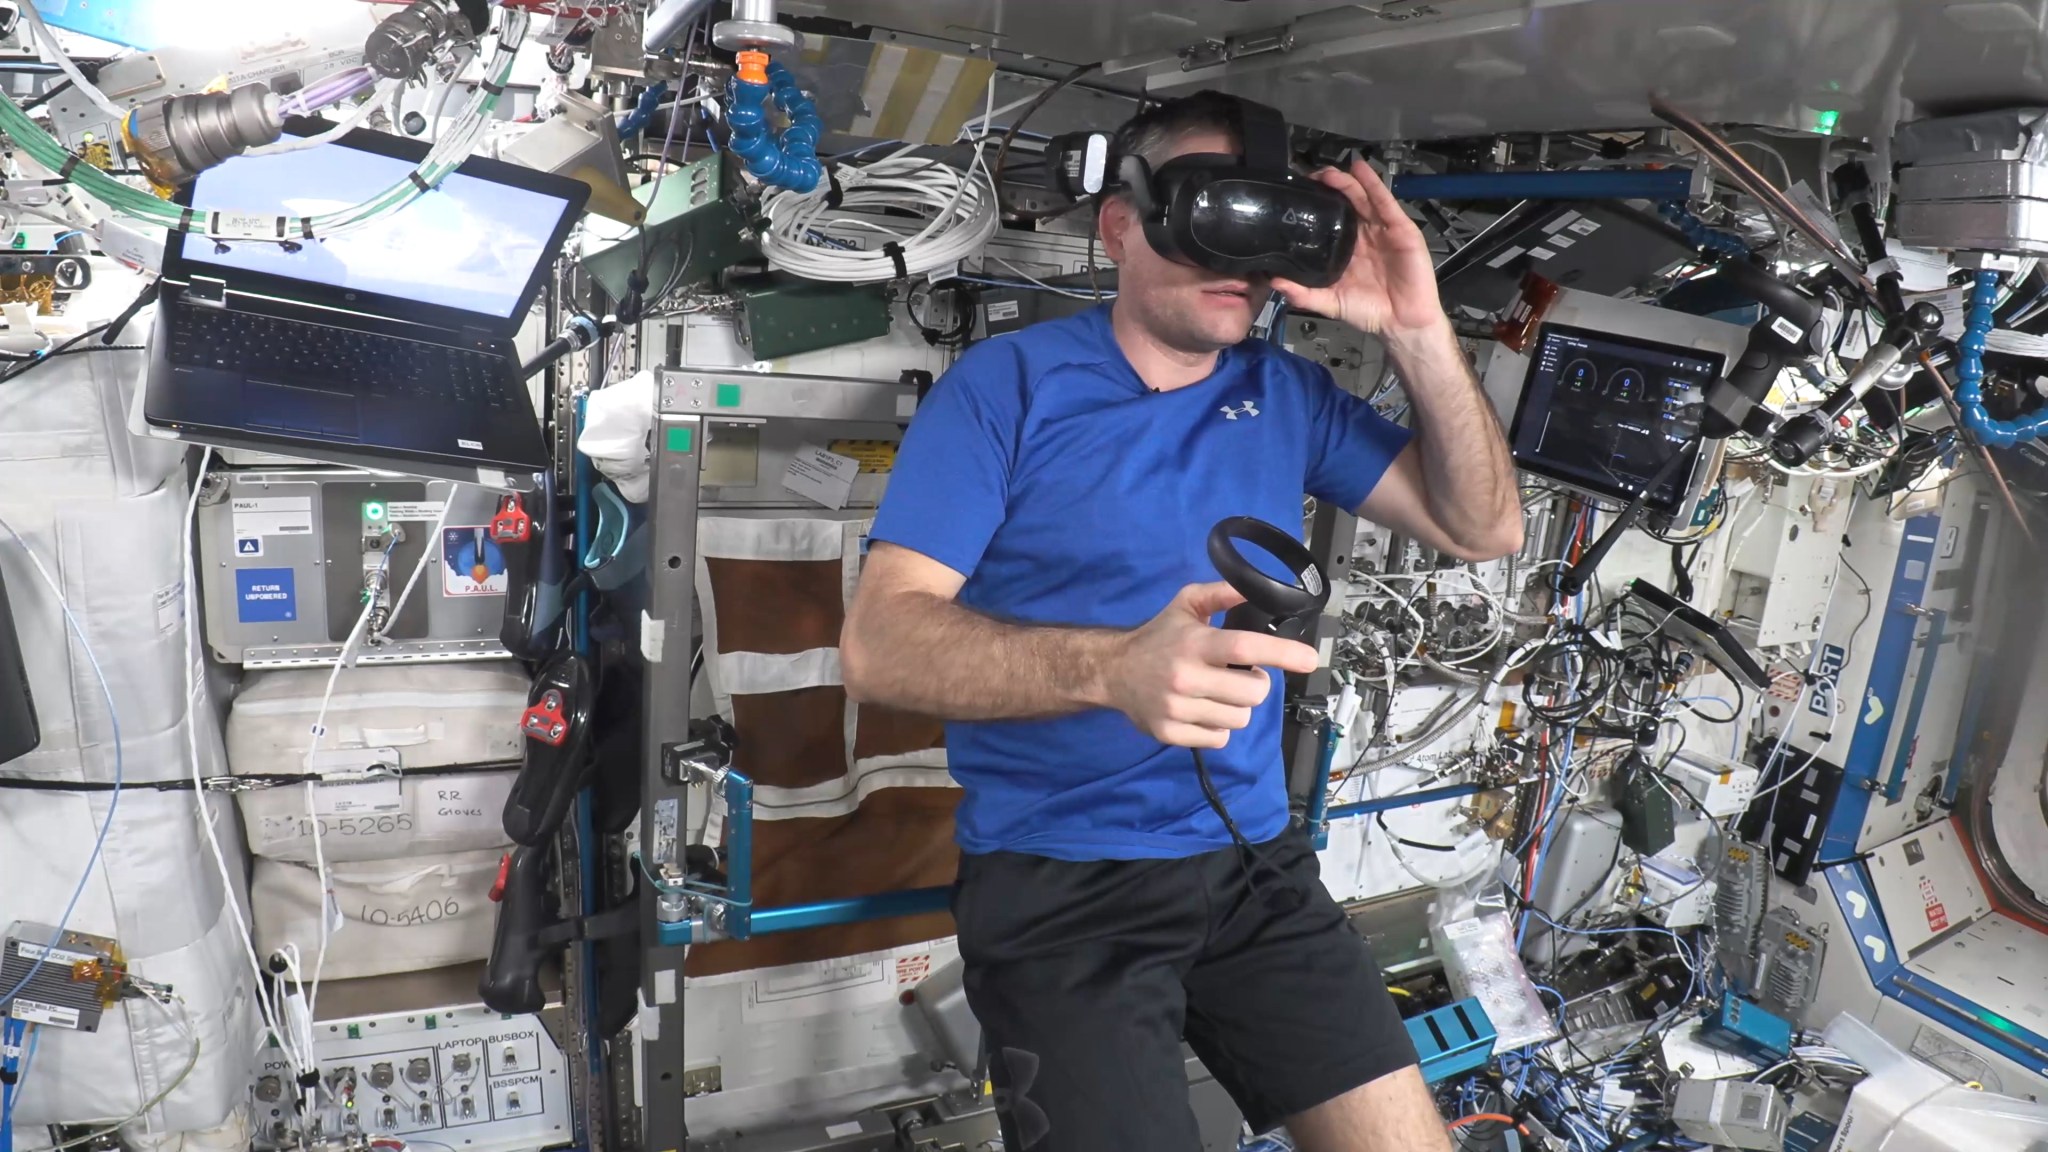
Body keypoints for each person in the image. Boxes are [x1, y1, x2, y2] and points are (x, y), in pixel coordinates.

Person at [841, 92, 1523, 1152]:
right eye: (1212, 216)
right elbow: (879, 644)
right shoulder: (1005, 389)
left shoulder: (1284, 392)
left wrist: (1417, 331)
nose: (1239, 263)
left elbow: (1480, 526)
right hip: (1063, 888)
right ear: (1120, 225)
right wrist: (1112, 670)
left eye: (1265, 229)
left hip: (1254, 869)